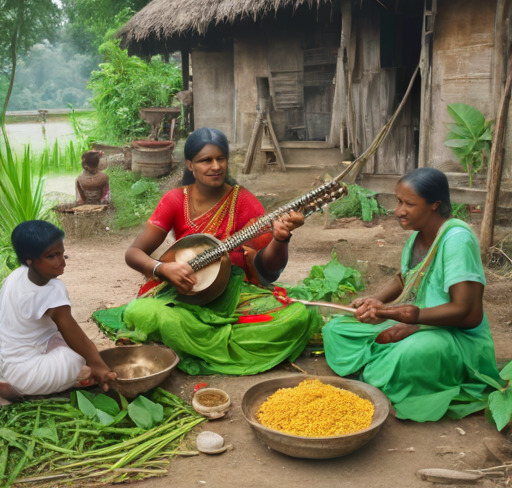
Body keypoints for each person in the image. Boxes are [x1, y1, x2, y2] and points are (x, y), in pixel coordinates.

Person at [111, 127, 321, 376]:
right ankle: (209, 340)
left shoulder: (242, 201)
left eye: (220, 158)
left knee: (298, 315)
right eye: (205, 160)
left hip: (233, 294)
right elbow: (134, 253)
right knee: (141, 311)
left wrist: (280, 239)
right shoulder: (175, 201)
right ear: (190, 165)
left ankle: (189, 342)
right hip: (183, 295)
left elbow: (268, 272)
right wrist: (162, 268)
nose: (215, 166)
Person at [323, 167, 500, 422]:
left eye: (408, 204)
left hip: (455, 336)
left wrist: (410, 318)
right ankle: (378, 366)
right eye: (398, 201)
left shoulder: (457, 240)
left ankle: (378, 364)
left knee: (407, 356)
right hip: (418, 321)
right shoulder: (416, 238)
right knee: (336, 329)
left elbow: (467, 314)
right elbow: (406, 277)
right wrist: (378, 300)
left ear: (434, 205)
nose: (398, 211)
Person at [0, 221, 116, 402]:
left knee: (70, 343)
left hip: (7, 359)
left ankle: (13, 379)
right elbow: (72, 330)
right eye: (52, 256)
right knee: (76, 358)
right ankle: (19, 388)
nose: (61, 262)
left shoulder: (15, 276)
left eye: (63, 254)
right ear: (29, 260)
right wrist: (98, 365)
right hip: (26, 373)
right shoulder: (52, 289)